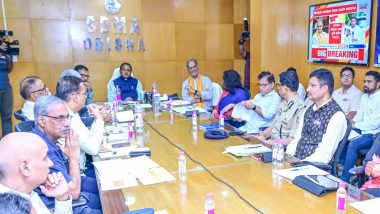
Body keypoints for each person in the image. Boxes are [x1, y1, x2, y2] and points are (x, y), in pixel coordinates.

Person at [32, 95, 102, 213]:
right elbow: (73, 192)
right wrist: (73, 157)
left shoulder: (50, 140)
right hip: (65, 206)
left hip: (74, 198)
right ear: (41, 120)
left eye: (66, 117)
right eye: (60, 118)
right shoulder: (41, 149)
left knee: (111, 191)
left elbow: (70, 177)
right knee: (115, 203)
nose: (67, 124)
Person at [0, 132, 72, 214]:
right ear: (25, 168)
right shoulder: (12, 210)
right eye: (45, 158)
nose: (51, 163)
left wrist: (62, 198)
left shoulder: (25, 193)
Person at [286, 68, 347, 164]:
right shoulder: (308, 109)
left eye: (313, 86)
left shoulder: (337, 115)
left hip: (313, 168)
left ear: (325, 89)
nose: (307, 89)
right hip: (295, 162)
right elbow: (297, 139)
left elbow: (324, 155)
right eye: (309, 85)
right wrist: (287, 158)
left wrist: (300, 164)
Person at [56, 76, 104, 178]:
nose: (86, 97)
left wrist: (96, 119)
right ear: (76, 97)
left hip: (81, 169)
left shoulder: (72, 112)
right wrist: (99, 119)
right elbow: (93, 149)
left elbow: (88, 137)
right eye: (84, 94)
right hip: (76, 176)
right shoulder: (67, 119)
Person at [341, 71, 380, 182]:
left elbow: (375, 123)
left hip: (374, 134)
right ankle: (340, 166)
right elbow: (359, 115)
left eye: (369, 81)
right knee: (343, 133)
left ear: (377, 84)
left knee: (353, 145)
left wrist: (355, 124)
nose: (365, 84)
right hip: (362, 129)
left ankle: (344, 180)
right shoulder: (364, 97)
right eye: (364, 81)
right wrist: (351, 123)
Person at [255, 70, 306, 145]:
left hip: (283, 149)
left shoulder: (300, 108)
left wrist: (268, 142)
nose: (278, 88)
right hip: (271, 144)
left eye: (279, 85)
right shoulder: (282, 102)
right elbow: (274, 126)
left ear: (285, 88)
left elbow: (291, 140)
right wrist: (262, 135)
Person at [0, 35, 13, 137]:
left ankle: (7, 140)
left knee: (7, 117)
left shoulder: (5, 54)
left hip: (6, 88)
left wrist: (9, 53)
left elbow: (9, 69)